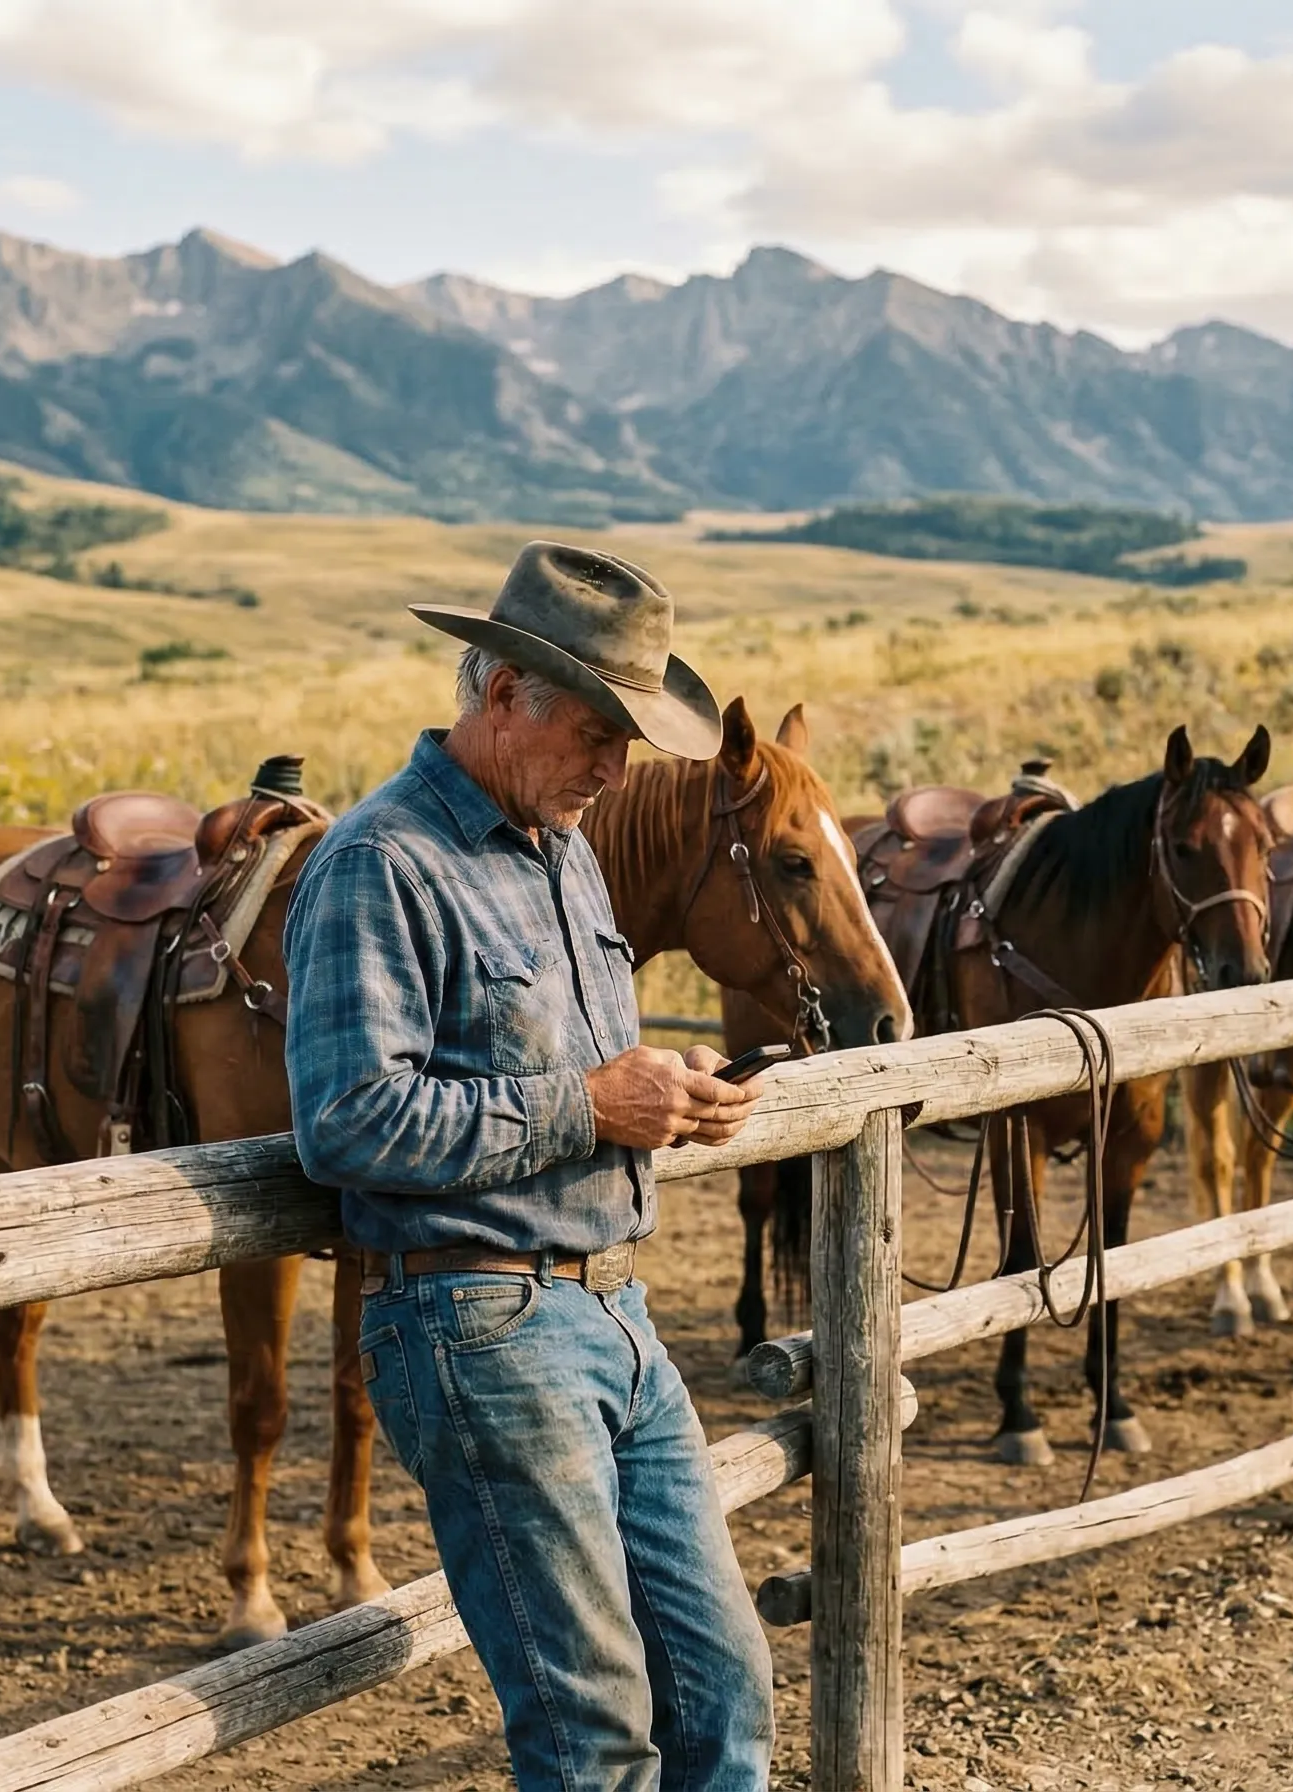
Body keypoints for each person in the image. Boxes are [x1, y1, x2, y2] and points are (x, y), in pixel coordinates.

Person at [283, 540, 775, 1790]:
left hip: (614, 1305)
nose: (617, 770)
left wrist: (667, 1094)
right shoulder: (379, 864)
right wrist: (593, 1104)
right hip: (479, 1318)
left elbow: (571, 1073)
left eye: (632, 739)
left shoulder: (565, 849)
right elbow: (348, 1119)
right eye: (598, 732)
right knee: (594, 1727)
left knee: (725, 1685)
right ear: (502, 695)